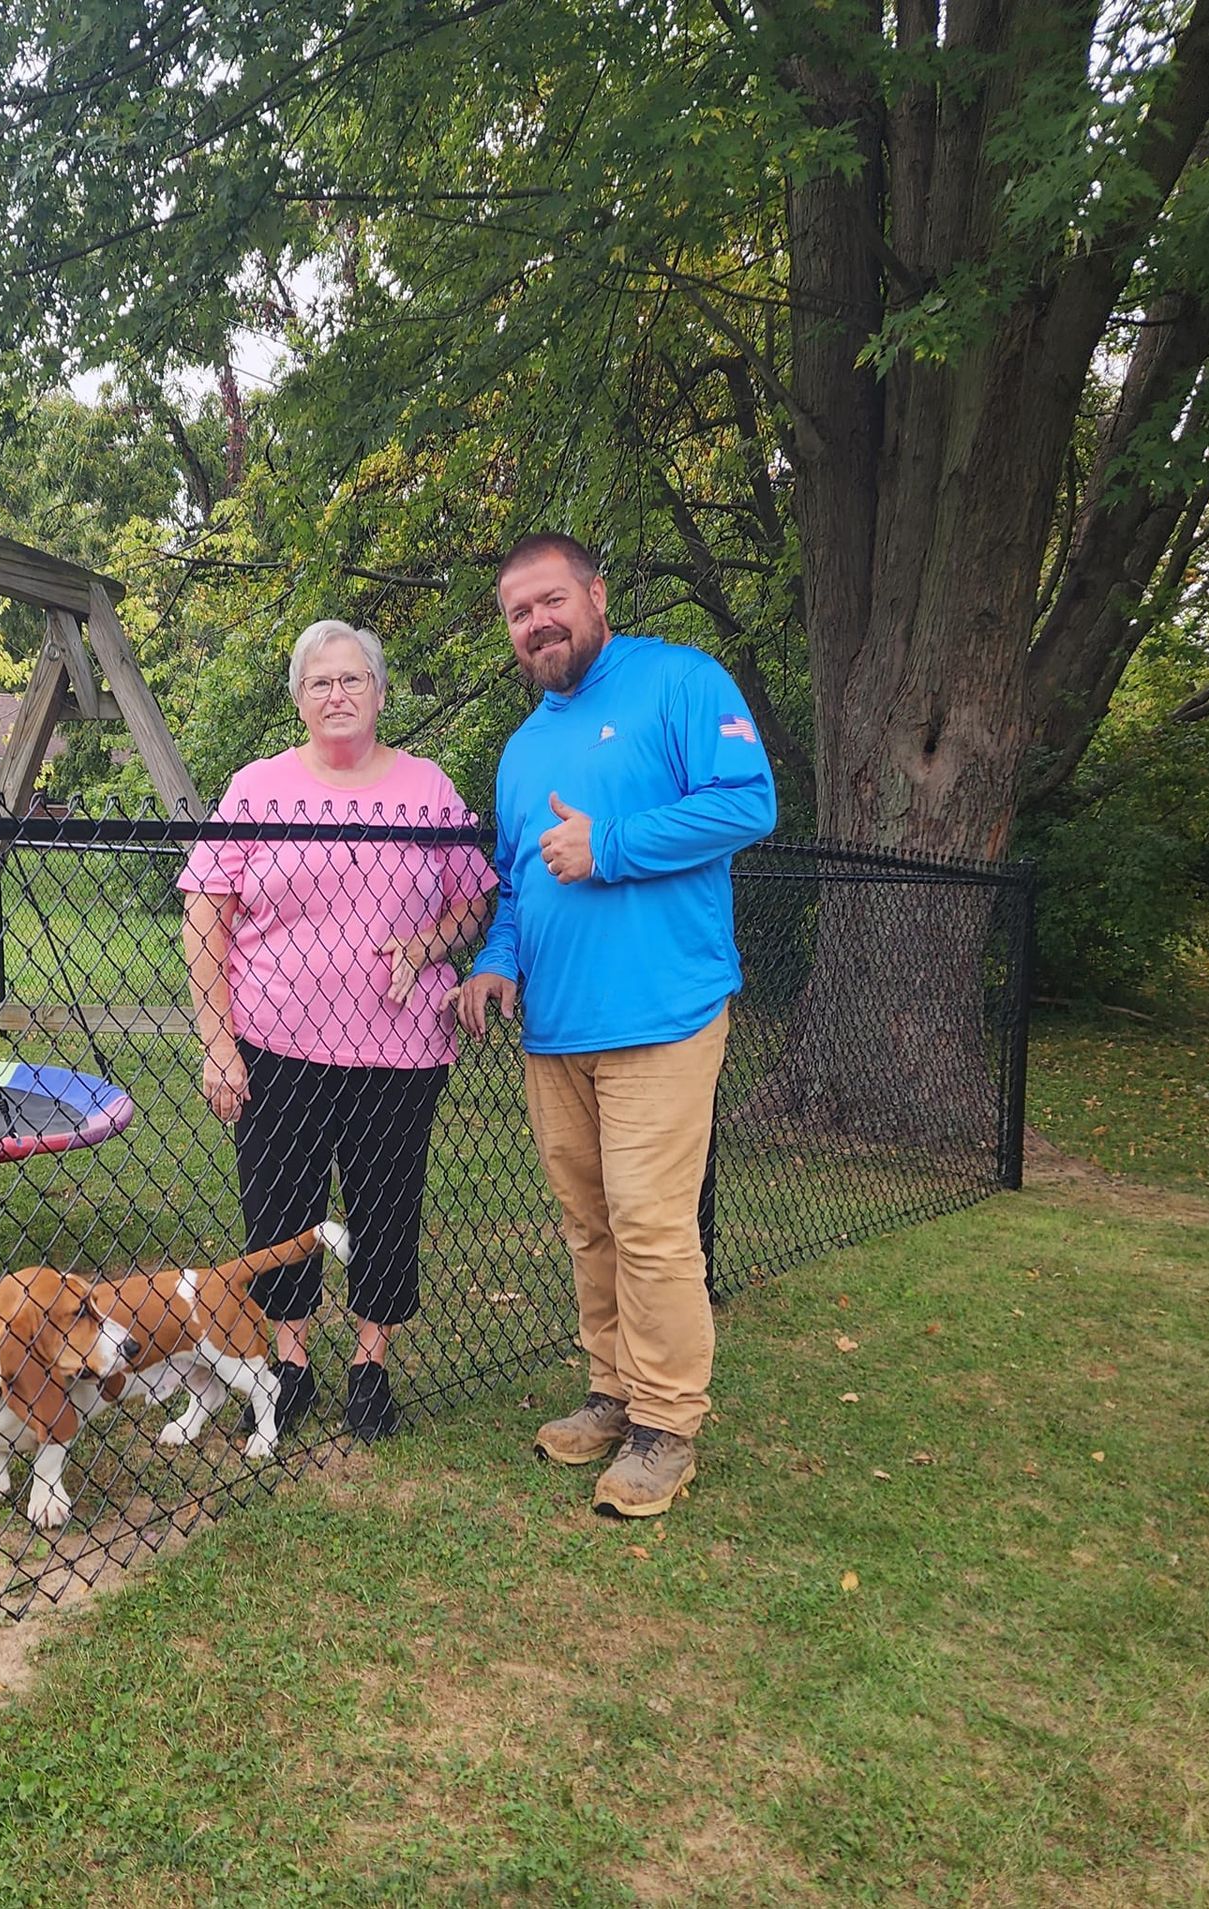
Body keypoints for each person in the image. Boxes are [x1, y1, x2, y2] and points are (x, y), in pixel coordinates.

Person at [449, 533, 776, 1518]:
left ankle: (667, 1426)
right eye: (518, 612)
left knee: (651, 1226)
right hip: (556, 1027)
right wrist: (499, 958)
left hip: (664, 1015)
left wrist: (615, 844)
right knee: (591, 1225)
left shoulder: (679, 680)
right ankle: (613, 1391)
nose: (537, 623)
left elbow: (747, 803)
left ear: (597, 594)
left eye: (551, 600)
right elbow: (515, 881)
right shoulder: (522, 748)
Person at [180, 619, 495, 1440]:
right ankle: (290, 1361)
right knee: (281, 1208)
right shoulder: (257, 788)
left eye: (353, 679)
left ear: (382, 693)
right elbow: (204, 912)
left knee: (388, 1203)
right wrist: (218, 1042)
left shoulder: (428, 789)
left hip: (401, 1049)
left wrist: (425, 943)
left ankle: (369, 1366)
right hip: (275, 1043)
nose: (338, 694)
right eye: (320, 683)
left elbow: (473, 902)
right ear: (299, 700)